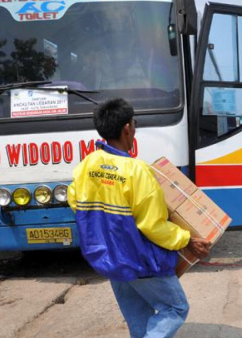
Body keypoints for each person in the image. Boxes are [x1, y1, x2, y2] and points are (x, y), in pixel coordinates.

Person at [67, 98, 211, 338]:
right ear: (127, 128)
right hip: (140, 260)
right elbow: (152, 226)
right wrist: (187, 239)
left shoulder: (87, 165)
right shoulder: (137, 171)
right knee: (175, 308)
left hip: (109, 259)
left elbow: (75, 202)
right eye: (134, 123)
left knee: (139, 322)